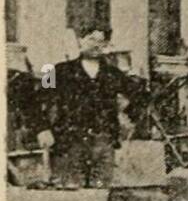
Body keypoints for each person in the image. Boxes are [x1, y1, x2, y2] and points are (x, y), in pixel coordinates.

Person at [41, 27, 132, 190]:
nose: (95, 45)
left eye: (101, 41)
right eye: (91, 39)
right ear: (80, 41)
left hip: (103, 144)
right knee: (70, 194)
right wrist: (42, 129)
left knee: (102, 195)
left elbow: (139, 96)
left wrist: (129, 119)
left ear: (106, 45)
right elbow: (38, 99)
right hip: (69, 144)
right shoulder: (58, 70)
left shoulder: (114, 74)